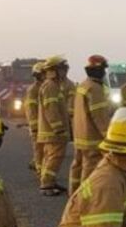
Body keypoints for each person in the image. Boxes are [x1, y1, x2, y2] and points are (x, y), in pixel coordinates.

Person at [69, 55, 112, 194]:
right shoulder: (95, 88)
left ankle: (74, 192)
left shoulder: (83, 85)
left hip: (80, 135)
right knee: (90, 167)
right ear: (98, 70)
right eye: (103, 69)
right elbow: (99, 116)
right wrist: (108, 136)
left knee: (78, 165)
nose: (105, 73)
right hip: (92, 138)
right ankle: (84, 196)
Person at [37, 56, 70, 195]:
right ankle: (47, 185)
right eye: (61, 69)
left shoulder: (52, 85)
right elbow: (51, 108)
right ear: (52, 71)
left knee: (49, 157)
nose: (64, 72)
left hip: (49, 131)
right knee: (55, 157)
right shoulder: (51, 86)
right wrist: (58, 128)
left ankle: (49, 182)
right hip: (53, 132)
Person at [23, 62, 45, 174]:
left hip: (45, 126)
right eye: (44, 73)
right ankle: (40, 171)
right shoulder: (33, 90)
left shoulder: (46, 88)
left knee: (44, 150)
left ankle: (38, 166)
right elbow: (31, 110)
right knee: (39, 149)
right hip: (37, 126)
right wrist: (35, 127)